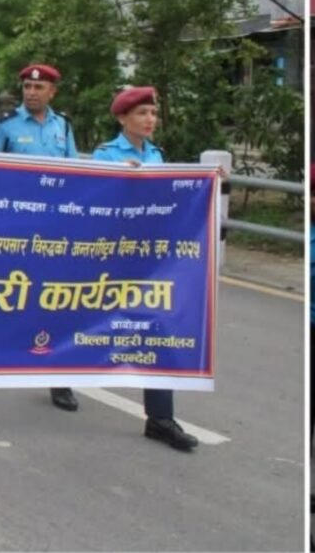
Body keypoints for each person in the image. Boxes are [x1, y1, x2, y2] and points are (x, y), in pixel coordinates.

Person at [93, 86, 199, 452]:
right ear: (123, 118)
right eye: (141, 113)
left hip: (151, 261)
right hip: (111, 260)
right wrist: (115, 177)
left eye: (153, 113)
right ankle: (57, 375)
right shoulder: (105, 155)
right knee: (80, 322)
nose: (150, 120)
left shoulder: (158, 155)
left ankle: (160, 418)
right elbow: (88, 201)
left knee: (158, 329)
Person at [0, 61, 78, 412]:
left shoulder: (63, 126)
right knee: (11, 294)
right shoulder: (8, 125)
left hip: (55, 229)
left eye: (39, 88)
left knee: (59, 300)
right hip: (18, 227)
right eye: (27, 87)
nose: (32, 92)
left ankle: (61, 378)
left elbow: (77, 173)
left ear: (52, 91)